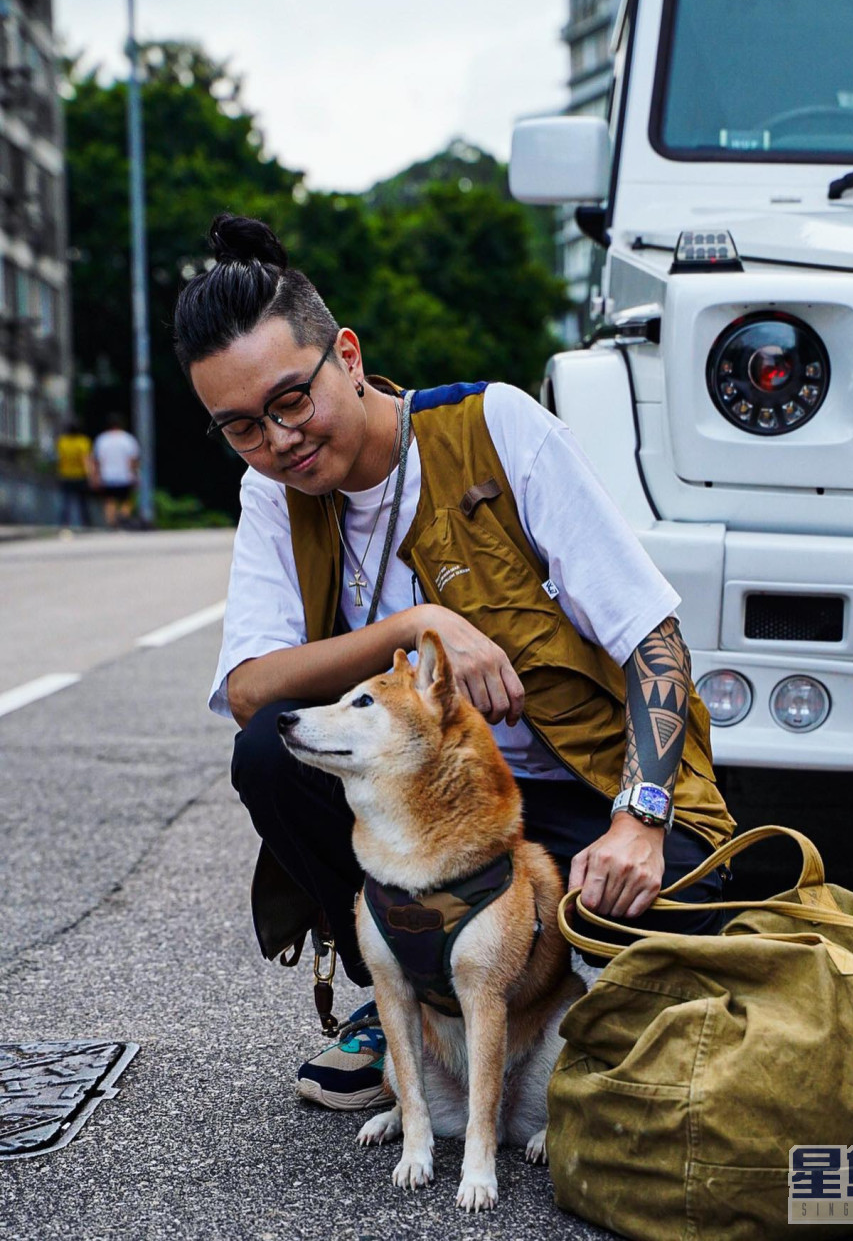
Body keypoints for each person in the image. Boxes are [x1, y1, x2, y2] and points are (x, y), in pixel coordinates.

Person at [173, 214, 735, 1112]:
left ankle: (557, 992)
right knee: (271, 757)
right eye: (239, 427)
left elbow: (654, 641)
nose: (277, 441)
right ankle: (400, 993)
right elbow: (250, 691)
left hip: (577, 793)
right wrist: (423, 622)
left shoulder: (495, 429)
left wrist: (642, 815)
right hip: (427, 820)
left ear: (347, 357)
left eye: (290, 401)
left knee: (688, 957)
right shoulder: (273, 498)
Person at [91, 413, 140, 528]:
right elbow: (132, 460)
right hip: (124, 476)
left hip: (107, 476)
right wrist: (135, 474)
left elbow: (97, 461)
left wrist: (95, 476)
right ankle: (123, 518)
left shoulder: (102, 440)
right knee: (127, 500)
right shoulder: (128, 439)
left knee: (109, 501)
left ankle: (112, 523)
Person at [55, 417, 92, 529]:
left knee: (66, 502)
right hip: (80, 475)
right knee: (83, 502)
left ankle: (64, 523)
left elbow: (59, 458)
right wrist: (90, 474)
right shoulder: (83, 441)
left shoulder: (62, 442)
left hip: (65, 475)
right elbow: (85, 459)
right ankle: (86, 523)